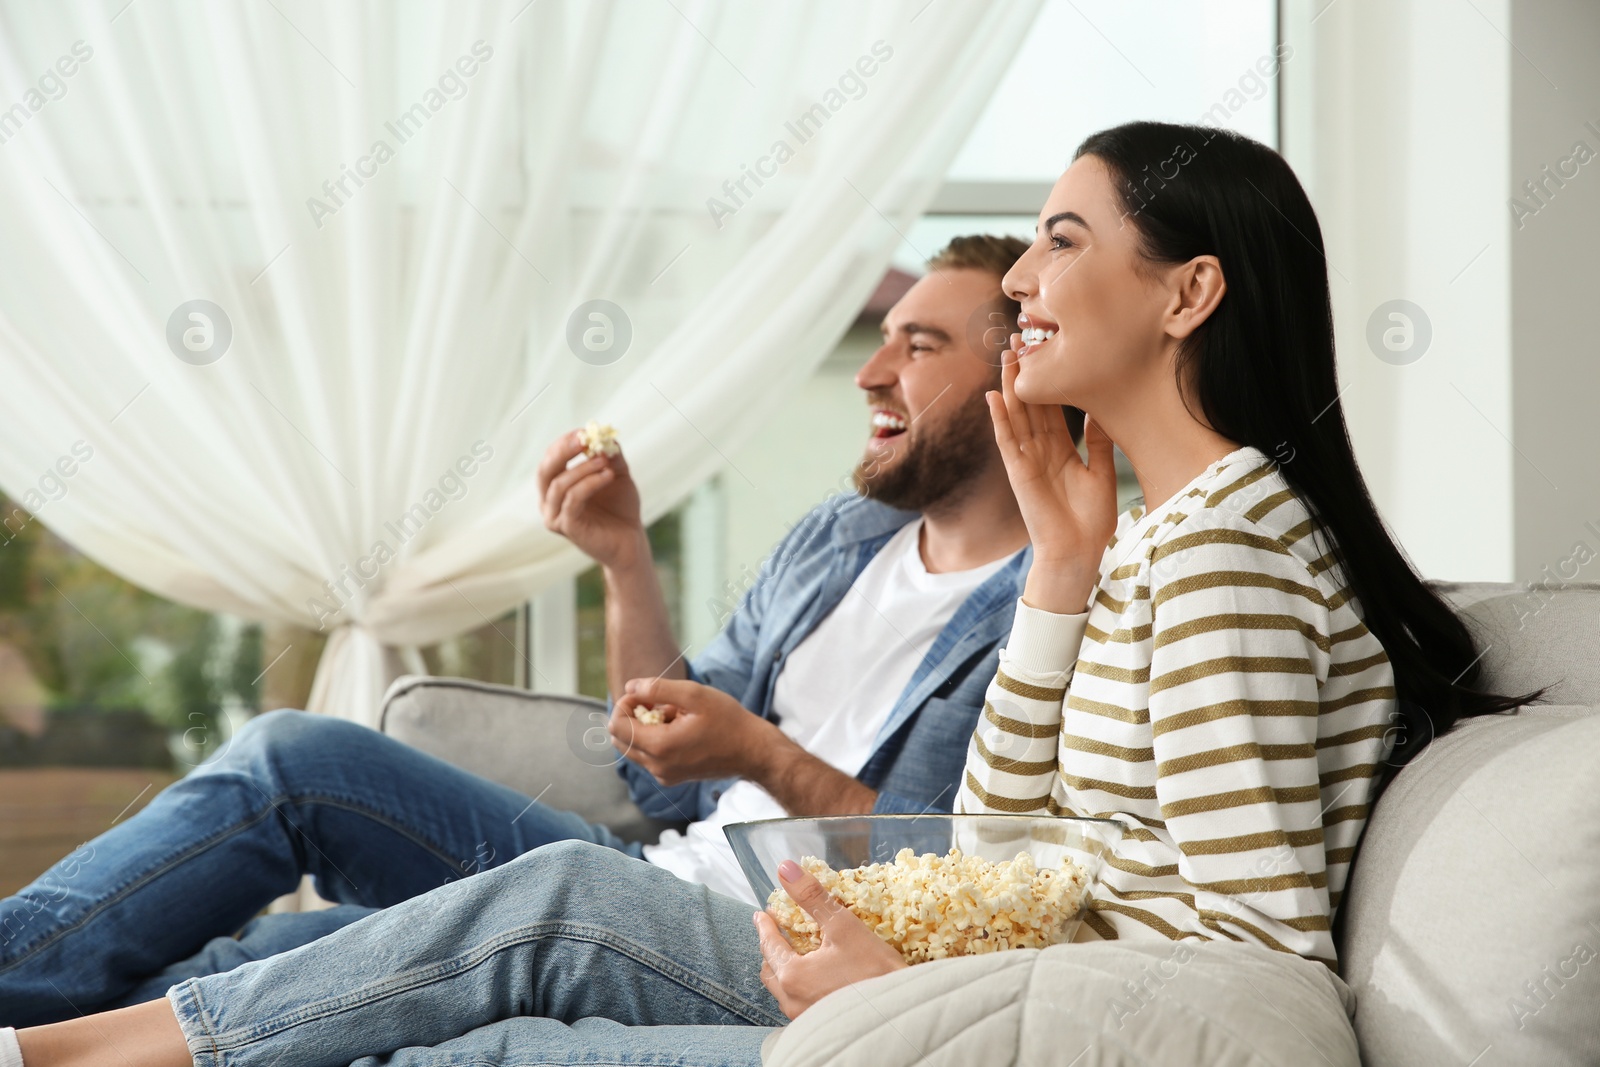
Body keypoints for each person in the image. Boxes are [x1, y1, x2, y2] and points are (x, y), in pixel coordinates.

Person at [5, 122, 1536, 1067]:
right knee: (460, 973)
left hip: (1000, 1014)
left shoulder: (1231, 548)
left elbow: (1254, 959)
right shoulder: (1150, 544)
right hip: (940, 965)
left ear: (1189, 293)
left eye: (1063, 243)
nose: (1021, 286)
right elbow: (1005, 842)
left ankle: (53, 1050)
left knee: (532, 940)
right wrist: (1066, 575)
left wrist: (906, 983)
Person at [0, 235, 1059, 1028]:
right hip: (647, 863)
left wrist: (764, 754)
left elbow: (938, 873)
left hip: (766, 933)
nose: (873, 373)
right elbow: (664, 779)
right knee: (291, 760)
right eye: (880, 342)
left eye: (916, 346)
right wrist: (622, 554)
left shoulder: (1046, 600)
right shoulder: (844, 536)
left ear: (1014, 371)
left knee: (282, 957)